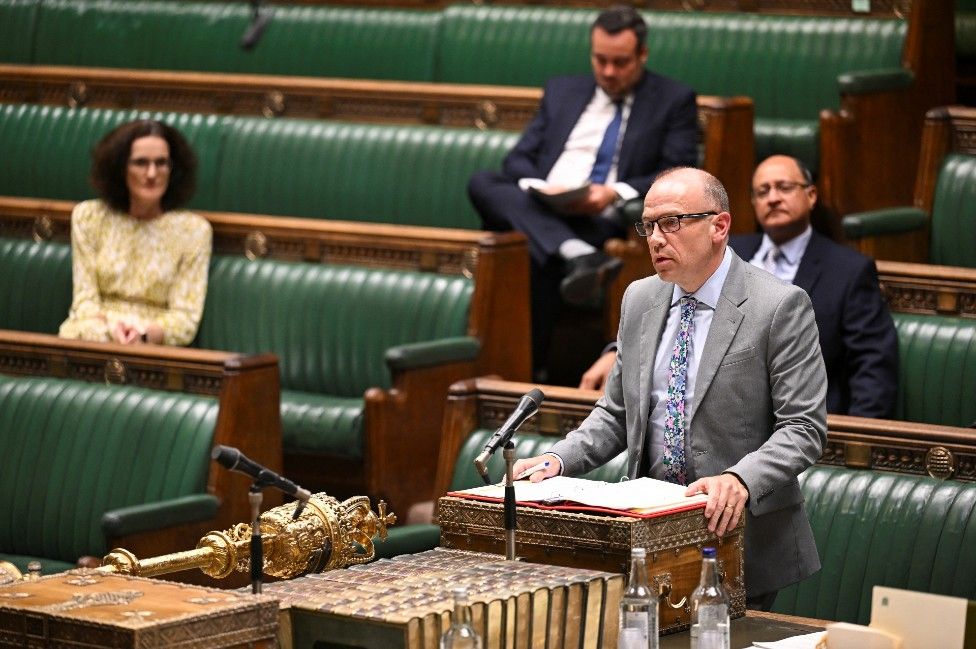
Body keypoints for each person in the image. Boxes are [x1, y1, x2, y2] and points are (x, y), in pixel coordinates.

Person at [517, 167, 827, 609]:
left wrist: (739, 478)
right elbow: (616, 414)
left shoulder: (778, 306)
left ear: (719, 226)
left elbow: (803, 428)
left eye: (672, 223)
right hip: (652, 532)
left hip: (737, 535)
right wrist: (556, 459)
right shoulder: (640, 298)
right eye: (648, 226)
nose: (656, 238)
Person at [467, 6, 698, 375]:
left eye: (620, 62)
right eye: (600, 60)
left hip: (600, 220)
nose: (608, 72)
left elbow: (679, 171)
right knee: (484, 181)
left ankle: (531, 370)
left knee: (530, 249)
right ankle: (577, 256)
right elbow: (518, 161)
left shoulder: (673, 100)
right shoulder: (563, 90)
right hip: (544, 206)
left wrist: (614, 192)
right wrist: (543, 188)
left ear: (642, 55)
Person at [582, 155, 899, 420]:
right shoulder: (720, 250)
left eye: (784, 187)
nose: (772, 197)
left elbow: (872, 367)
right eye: (762, 191)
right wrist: (616, 352)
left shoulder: (847, 270)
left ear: (811, 195)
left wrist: (857, 441)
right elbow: (671, 302)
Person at [59, 119, 212, 346]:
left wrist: (143, 334)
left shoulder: (193, 231)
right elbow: (85, 302)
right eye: (140, 163)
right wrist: (113, 331)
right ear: (120, 168)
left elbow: (185, 318)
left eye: (161, 163)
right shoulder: (89, 217)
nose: (152, 173)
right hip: (92, 336)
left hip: (152, 347)